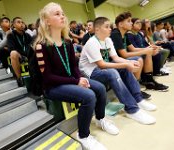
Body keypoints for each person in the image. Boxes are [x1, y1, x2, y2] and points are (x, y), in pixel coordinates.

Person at [33, 3, 119, 150]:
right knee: (89, 96)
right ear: (47, 21)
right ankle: (83, 135)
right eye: (57, 14)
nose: (62, 16)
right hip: (53, 87)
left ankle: (100, 119)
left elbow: (74, 66)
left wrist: (80, 78)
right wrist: (76, 81)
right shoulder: (41, 46)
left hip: (70, 81)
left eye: (62, 13)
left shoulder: (67, 42)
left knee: (99, 88)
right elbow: (47, 77)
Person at [79, 16, 157, 126]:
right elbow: (101, 65)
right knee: (113, 72)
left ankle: (138, 99)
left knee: (124, 67)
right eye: (106, 27)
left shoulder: (108, 40)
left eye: (110, 26)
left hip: (102, 68)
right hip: (90, 73)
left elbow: (115, 58)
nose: (110, 29)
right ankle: (132, 109)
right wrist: (126, 64)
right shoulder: (91, 42)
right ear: (97, 29)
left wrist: (128, 63)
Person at [110, 12, 168, 91]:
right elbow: (124, 55)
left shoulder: (125, 34)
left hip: (123, 57)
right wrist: (146, 51)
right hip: (116, 60)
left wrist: (148, 49)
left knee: (147, 53)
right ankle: (136, 87)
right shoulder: (115, 34)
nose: (131, 23)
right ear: (120, 24)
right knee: (139, 58)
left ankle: (149, 80)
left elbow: (133, 49)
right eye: (129, 21)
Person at [7, 17, 32, 86]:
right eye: (18, 22)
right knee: (13, 53)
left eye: (22, 22)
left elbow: (32, 46)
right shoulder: (10, 35)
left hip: (29, 55)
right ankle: (19, 78)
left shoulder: (27, 35)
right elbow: (11, 49)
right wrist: (22, 56)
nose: (21, 24)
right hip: (19, 56)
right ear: (14, 25)